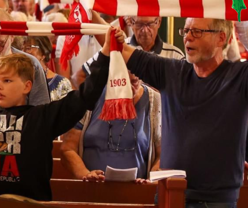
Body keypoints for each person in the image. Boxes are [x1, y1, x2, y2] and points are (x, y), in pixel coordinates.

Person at [0, 25, 115, 200]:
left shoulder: (43, 117)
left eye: (7, 80)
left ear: (27, 86)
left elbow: (86, 95)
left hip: (31, 203)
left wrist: (106, 51)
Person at [97, 16, 248, 207]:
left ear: (221, 38)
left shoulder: (240, 77)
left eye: (197, 31)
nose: (188, 37)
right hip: (169, 196)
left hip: (216, 201)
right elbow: (118, 47)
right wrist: (88, 6)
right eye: (186, 31)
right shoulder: (172, 71)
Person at [60, 69, 161, 183]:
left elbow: (163, 156)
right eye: (122, 83)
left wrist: (151, 181)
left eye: (134, 83)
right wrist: (86, 174)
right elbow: (68, 149)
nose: (128, 89)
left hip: (138, 191)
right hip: (92, 189)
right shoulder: (90, 95)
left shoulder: (155, 101)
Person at [21, 36, 72, 101]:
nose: (23, 52)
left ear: (43, 53)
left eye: (28, 48)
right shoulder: (18, 80)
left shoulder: (62, 84)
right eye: (21, 49)